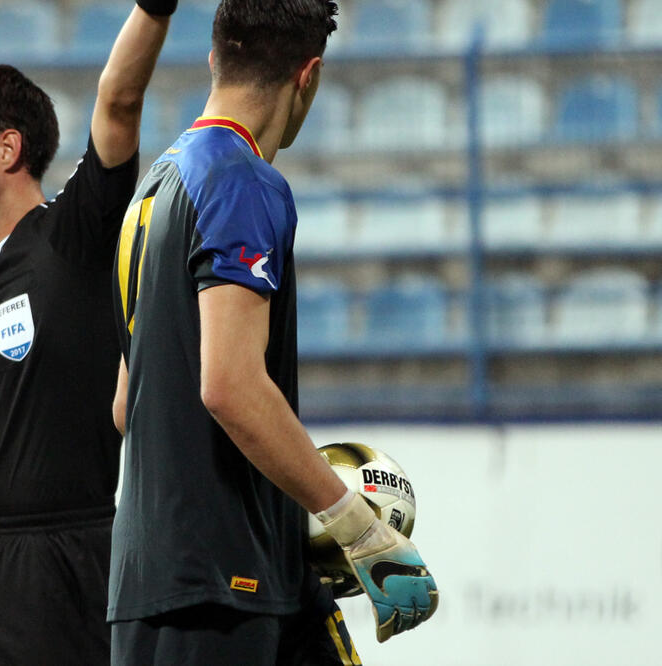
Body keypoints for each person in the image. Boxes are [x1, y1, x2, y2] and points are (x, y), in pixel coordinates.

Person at [109, 1, 439, 663]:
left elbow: (126, 406)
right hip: (219, 583)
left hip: (161, 576)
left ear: (215, 59)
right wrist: (357, 527)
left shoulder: (154, 186)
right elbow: (229, 386)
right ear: (308, 75)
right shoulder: (242, 182)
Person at [0, 3, 177, 664]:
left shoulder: (72, 238)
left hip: (60, 563)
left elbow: (119, 100)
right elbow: (8, 427)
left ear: (8, 147)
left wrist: (154, 8)